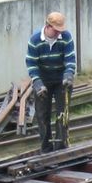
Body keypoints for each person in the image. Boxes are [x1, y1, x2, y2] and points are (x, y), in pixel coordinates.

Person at [25, 11, 77, 152]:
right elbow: (31, 64)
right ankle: (46, 148)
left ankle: (61, 147)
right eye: (56, 29)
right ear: (48, 26)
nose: (58, 32)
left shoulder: (66, 37)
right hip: (43, 79)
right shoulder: (35, 40)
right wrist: (37, 83)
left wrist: (68, 75)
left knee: (62, 114)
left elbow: (70, 59)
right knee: (42, 115)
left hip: (61, 79)